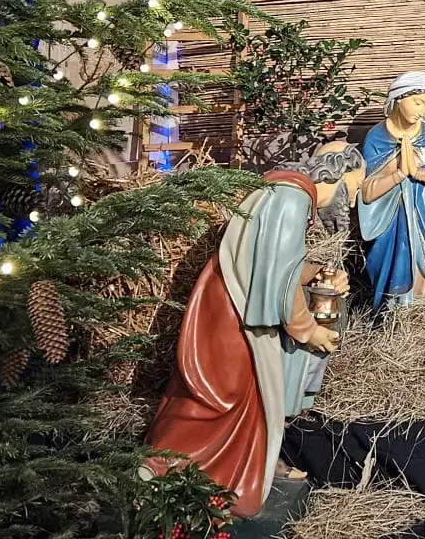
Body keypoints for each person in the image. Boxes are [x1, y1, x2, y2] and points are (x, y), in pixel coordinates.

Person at [144, 142, 365, 517]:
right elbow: (279, 276)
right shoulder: (291, 199)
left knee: (254, 397)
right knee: (221, 395)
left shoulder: (284, 192)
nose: (354, 200)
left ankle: (257, 463)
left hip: (235, 305)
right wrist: (307, 330)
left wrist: (315, 273)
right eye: (355, 187)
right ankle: (161, 466)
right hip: (234, 314)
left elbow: (273, 261)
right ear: (336, 176)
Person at [357, 71, 425, 306]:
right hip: (391, 222)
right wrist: (398, 175)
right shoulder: (376, 138)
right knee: (394, 273)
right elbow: (367, 191)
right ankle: (394, 311)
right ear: (398, 98)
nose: (422, 111)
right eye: (417, 102)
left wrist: (419, 173)